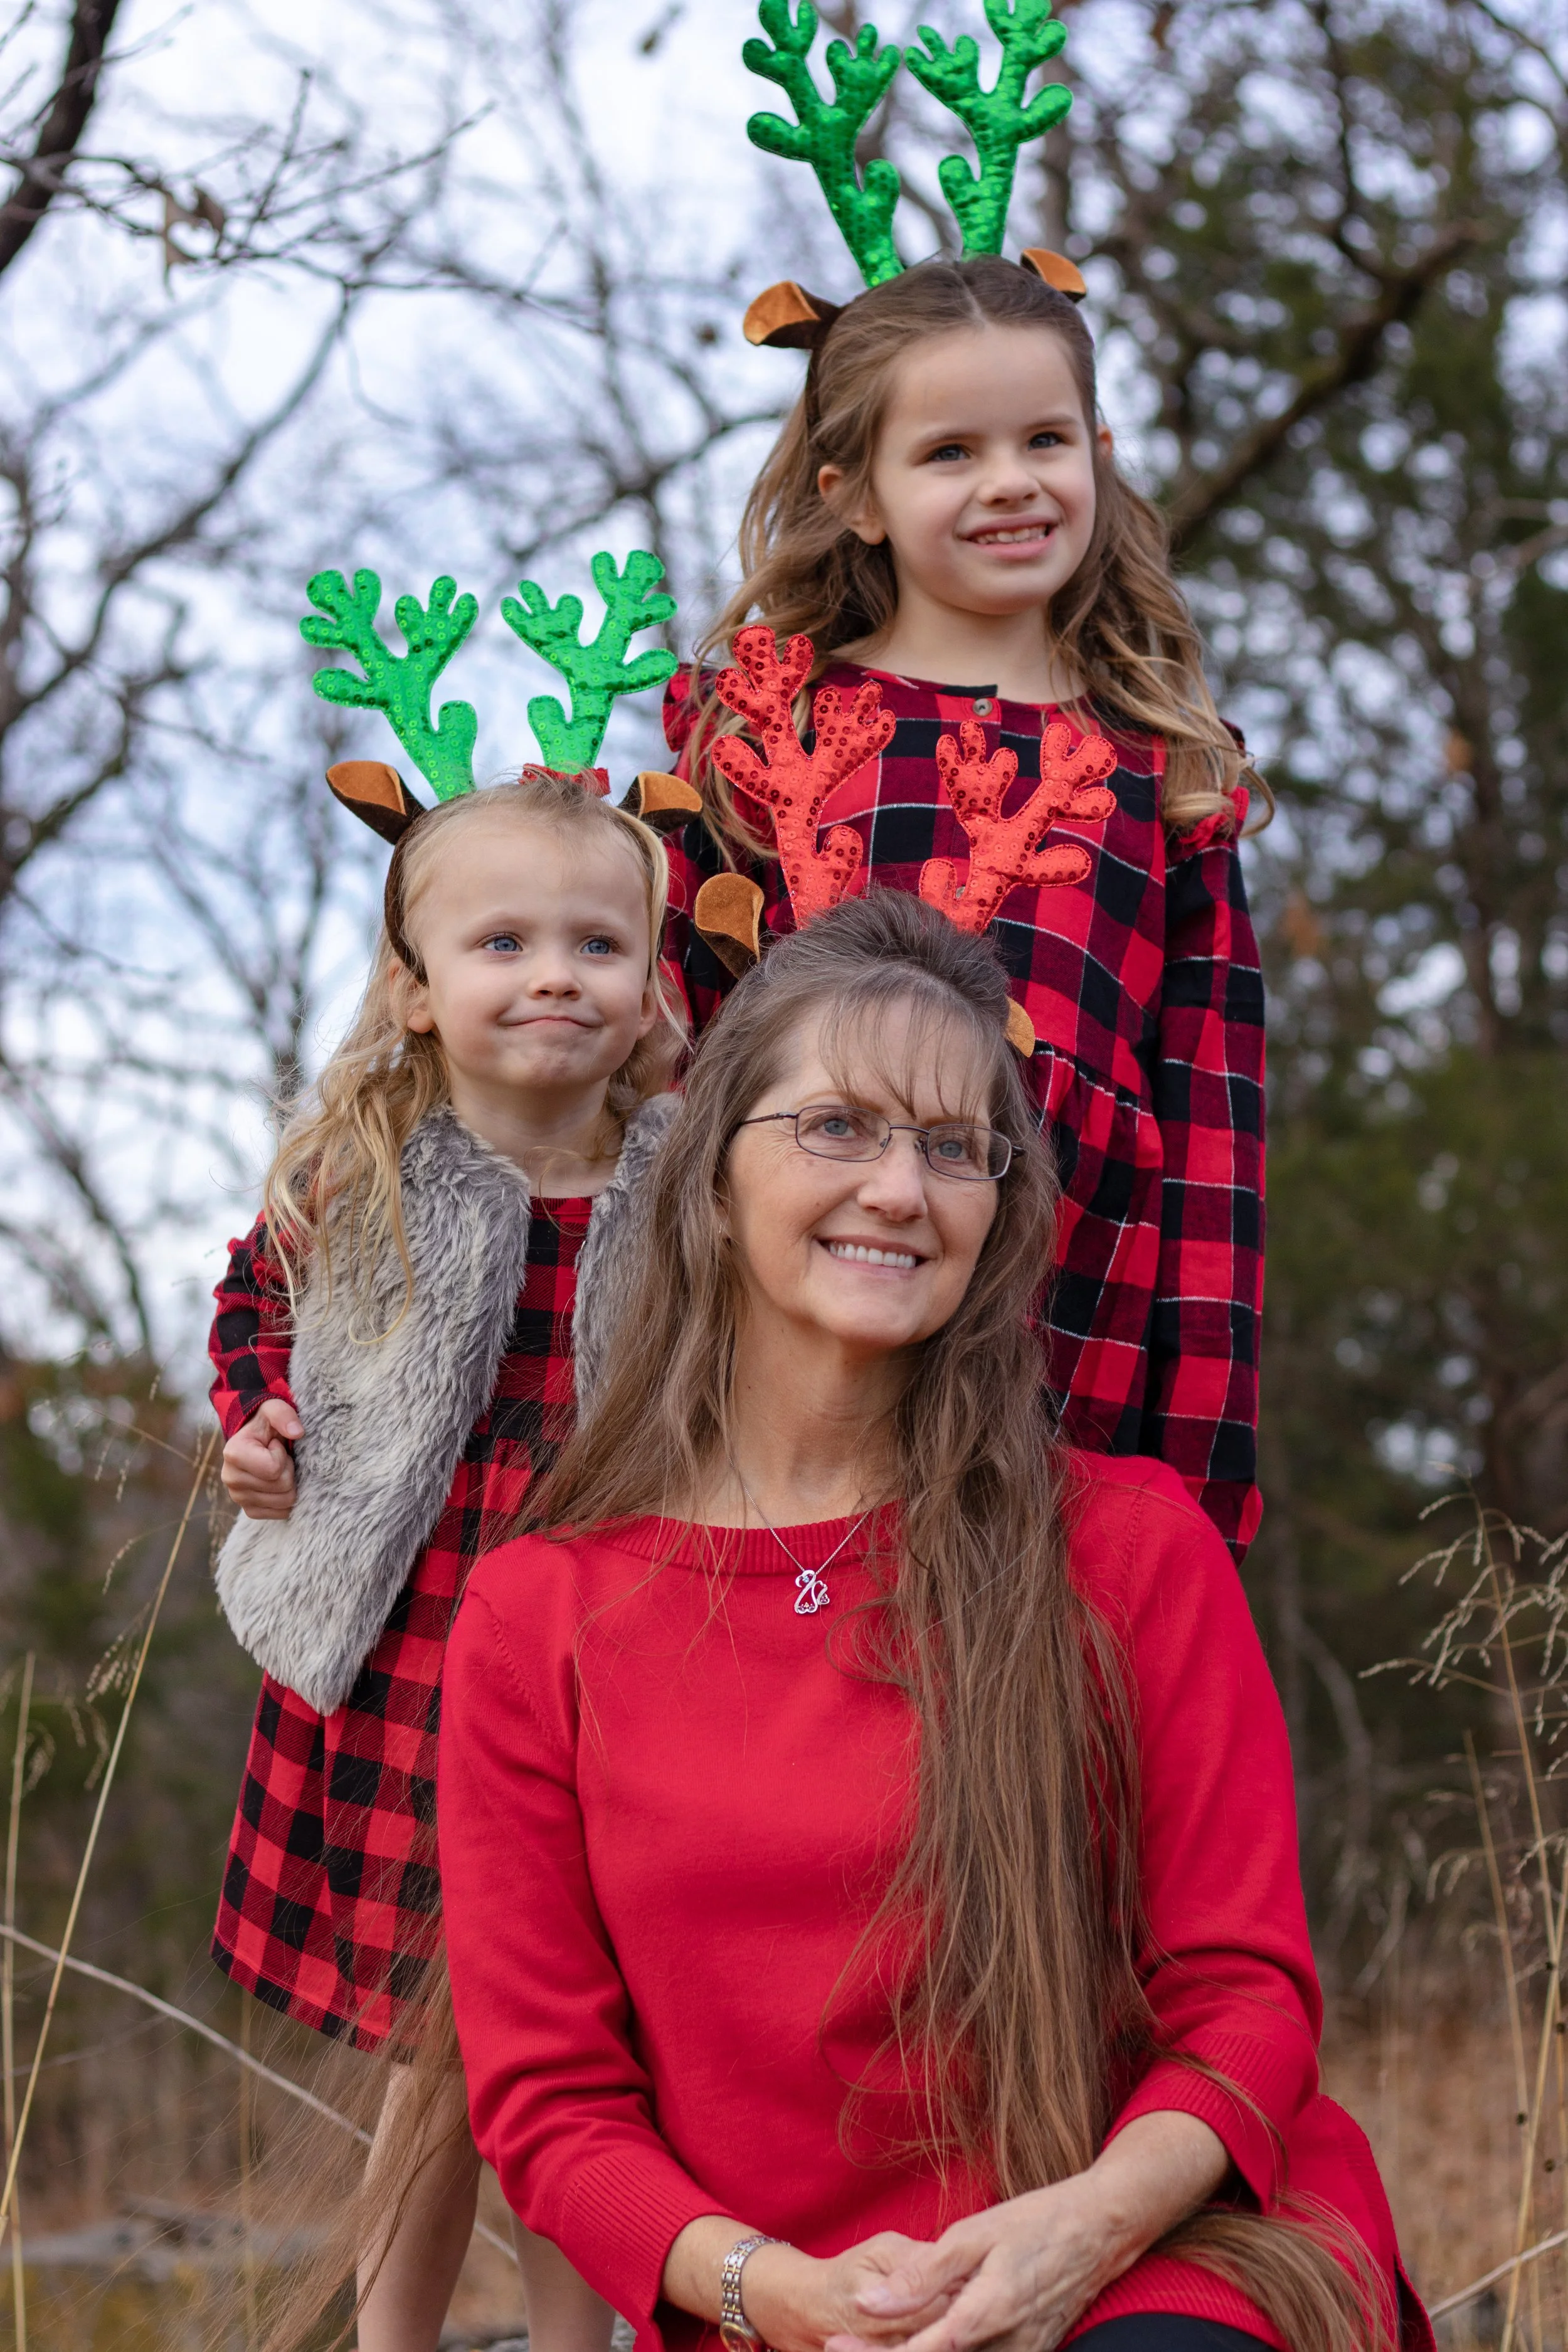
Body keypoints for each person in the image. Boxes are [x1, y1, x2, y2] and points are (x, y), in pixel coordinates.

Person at [439, 893, 1429, 2352]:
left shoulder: (1126, 1548)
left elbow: (1242, 1998)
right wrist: (772, 2293)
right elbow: (550, 2106)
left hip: (1155, 2258)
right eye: (836, 1126)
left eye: (953, 1147)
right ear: (711, 1179)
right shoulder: (543, 1616)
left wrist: (1079, 2235)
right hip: (788, 2308)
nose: (900, 1191)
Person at [662, 253, 1268, 1560]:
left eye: (1043, 439)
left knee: (1013, 1705)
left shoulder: (1161, 769)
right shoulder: (768, 727)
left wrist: (1198, 1467)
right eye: (947, 452)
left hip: (1067, 1317)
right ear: (855, 500)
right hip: (788, 1311)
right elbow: (674, 1040)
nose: (1008, 481)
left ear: (1097, 456)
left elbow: (1213, 1120)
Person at [208, 769, 682, 2352]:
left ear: (649, 982)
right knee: (441, 2044)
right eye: (500, 941)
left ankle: (572, 2339)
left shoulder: (688, 1184)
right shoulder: (358, 1179)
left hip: (617, 1666)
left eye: (597, 945)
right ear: (415, 989)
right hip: (412, 1656)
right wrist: (256, 1427)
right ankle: (395, 2336)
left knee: (573, 2038)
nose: (554, 974)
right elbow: (253, 1320)